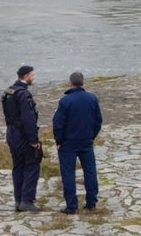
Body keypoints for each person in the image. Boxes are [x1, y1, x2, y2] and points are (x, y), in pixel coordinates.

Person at [53, 71, 103, 214]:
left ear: (70, 83)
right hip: (86, 140)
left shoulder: (65, 101)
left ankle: (71, 206)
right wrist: (91, 136)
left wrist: (59, 140)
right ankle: (91, 203)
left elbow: (58, 123)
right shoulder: (92, 99)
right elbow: (98, 121)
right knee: (90, 172)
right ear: (83, 82)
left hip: (68, 143)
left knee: (68, 173)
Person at [2, 65, 43, 213]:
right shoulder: (24, 95)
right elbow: (28, 118)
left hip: (11, 133)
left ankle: (18, 200)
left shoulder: (8, 92)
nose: (34, 77)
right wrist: (34, 140)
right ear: (26, 76)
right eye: (32, 75)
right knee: (32, 166)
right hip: (23, 135)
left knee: (18, 166)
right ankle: (27, 200)